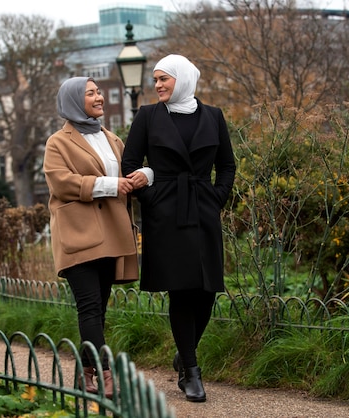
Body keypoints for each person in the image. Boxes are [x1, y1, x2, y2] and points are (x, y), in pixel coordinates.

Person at [122, 54, 236, 402]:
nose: (157, 85)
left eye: (164, 79)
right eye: (155, 79)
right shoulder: (147, 116)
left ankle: (184, 355)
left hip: (203, 208)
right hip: (166, 214)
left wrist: (217, 197)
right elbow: (130, 162)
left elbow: (227, 165)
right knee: (180, 289)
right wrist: (152, 197)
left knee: (207, 289)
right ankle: (191, 371)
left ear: (182, 79)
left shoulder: (213, 116)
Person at [43, 76, 149, 398]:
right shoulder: (57, 143)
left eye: (99, 91)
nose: (99, 97)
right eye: (91, 93)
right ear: (75, 101)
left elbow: (130, 171)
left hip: (111, 235)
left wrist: (146, 175)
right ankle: (105, 375)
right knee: (89, 309)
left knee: (98, 311)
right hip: (78, 236)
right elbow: (61, 183)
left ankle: (84, 374)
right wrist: (108, 185)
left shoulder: (112, 139)